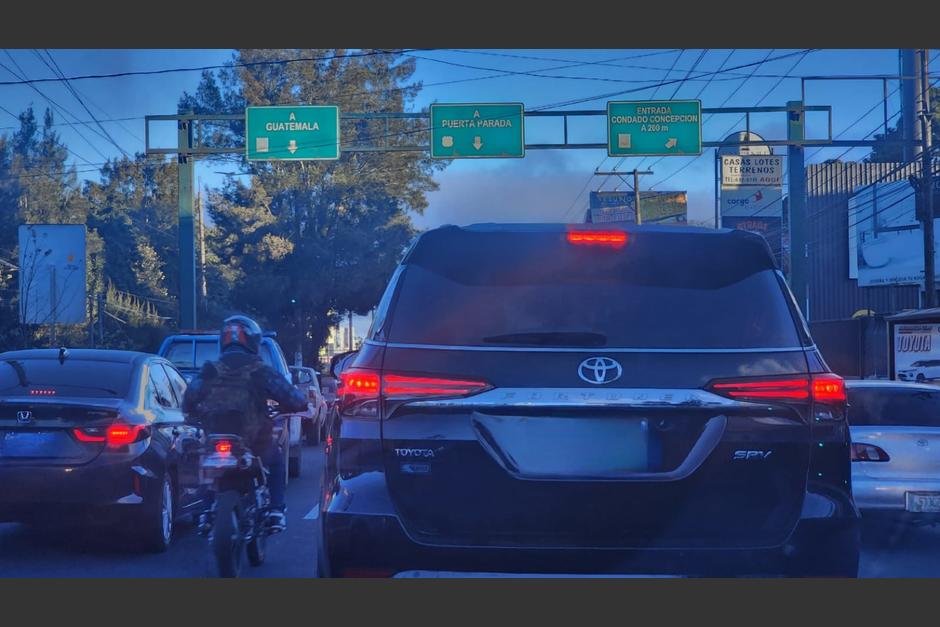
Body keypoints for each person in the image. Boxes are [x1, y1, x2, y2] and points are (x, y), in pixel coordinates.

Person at [182, 315, 307, 532]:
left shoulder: (210, 369)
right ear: (254, 343)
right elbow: (294, 398)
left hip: (214, 437)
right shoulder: (261, 370)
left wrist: (194, 413)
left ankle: (205, 510)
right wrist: (299, 405)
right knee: (276, 460)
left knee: (206, 467)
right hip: (253, 441)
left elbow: (189, 398)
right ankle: (276, 510)